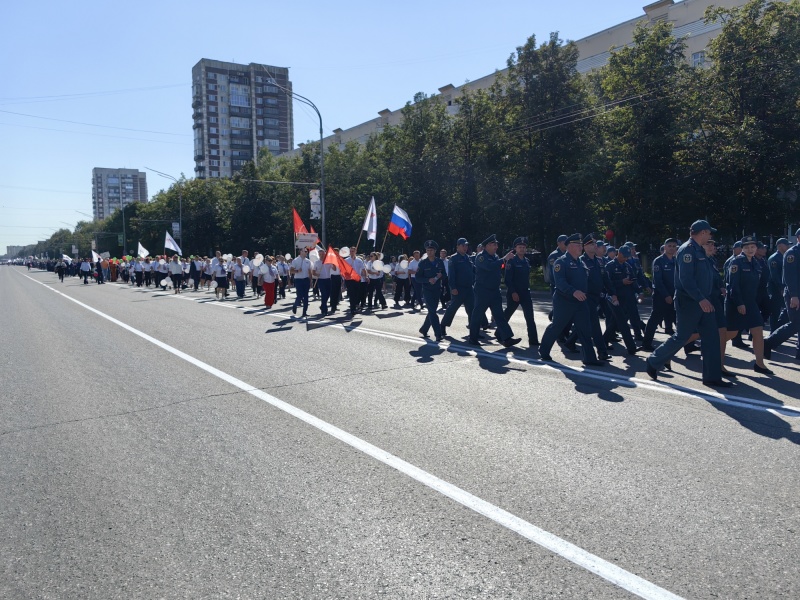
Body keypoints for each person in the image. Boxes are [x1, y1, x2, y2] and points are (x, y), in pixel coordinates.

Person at [645, 220, 731, 388]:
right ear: (703, 232)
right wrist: (701, 299)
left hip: (704, 302)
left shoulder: (700, 250)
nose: (711, 236)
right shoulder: (687, 250)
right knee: (682, 337)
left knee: (712, 338)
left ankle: (712, 377)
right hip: (690, 302)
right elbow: (686, 280)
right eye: (709, 232)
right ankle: (653, 361)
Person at [538, 233, 604, 366]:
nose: (581, 247)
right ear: (569, 247)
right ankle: (543, 350)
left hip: (580, 302)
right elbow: (560, 282)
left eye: (581, 245)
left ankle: (590, 358)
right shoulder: (561, 262)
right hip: (564, 302)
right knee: (557, 327)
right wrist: (573, 292)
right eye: (577, 245)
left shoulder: (581, 262)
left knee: (585, 329)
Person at [723, 236, 772, 374]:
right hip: (736, 303)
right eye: (747, 247)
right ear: (742, 249)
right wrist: (739, 303)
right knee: (730, 334)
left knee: (758, 331)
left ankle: (759, 364)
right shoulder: (736, 262)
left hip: (751, 303)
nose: (750, 250)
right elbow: (732, 286)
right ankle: (712, 351)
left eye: (753, 247)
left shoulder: (756, 263)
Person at [469, 234, 520, 347]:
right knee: (478, 315)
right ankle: (473, 338)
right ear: (486, 246)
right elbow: (489, 267)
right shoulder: (481, 257)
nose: (496, 246)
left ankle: (506, 338)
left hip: (494, 291)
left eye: (496, 244)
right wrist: (504, 259)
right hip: (483, 291)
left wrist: (504, 261)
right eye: (493, 244)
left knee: (499, 315)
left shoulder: (495, 256)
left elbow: (498, 267)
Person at [764, 228, 800, 361]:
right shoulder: (793, 253)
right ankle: (768, 342)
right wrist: (794, 296)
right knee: (796, 323)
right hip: (794, 295)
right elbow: (790, 277)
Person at [502, 237, 540, 347]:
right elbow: (508, 279)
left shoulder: (526, 261)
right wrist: (513, 292)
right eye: (520, 247)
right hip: (514, 293)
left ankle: (533, 340)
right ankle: (500, 332)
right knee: (508, 314)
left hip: (525, 293)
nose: (522, 249)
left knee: (530, 317)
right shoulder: (511, 261)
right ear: (515, 248)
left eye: (524, 247)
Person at [642, 238, 678, 351]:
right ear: (665, 247)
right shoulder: (659, 261)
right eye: (669, 246)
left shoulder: (676, 261)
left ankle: (689, 345)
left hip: (674, 296)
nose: (672, 248)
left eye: (674, 246)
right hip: (661, 296)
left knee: (679, 320)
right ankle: (646, 344)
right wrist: (666, 295)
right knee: (655, 319)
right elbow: (658, 281)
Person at [440, 238, 475, 337]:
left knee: (472, 309)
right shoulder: (454, 258)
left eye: (466, 245)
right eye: (463, 245)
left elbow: (472, 270)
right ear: (458, 246)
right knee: (453, 308)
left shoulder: (468, 258)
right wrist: (453, 287)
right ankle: (442, 325)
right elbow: (451, 275)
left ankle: (473, 331)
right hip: (458, 288)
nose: (465, 247)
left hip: (469, 288)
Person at [416, 240, 447, 341]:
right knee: (433, 312)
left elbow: (445, 275)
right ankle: (438, 334)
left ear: (435, 251)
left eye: (431, 250)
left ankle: (424, 329)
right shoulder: (423, 263)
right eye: (428, 250)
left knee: (432, 311)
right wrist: (428, 280)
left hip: (437, 289)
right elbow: (417, 278)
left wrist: (441, 276)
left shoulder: (439, 262)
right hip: (427, 290)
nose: (429, 252)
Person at [767, 238, 790, 331]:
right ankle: (773, 331)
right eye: (786, 245)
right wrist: (781, 288)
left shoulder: (784, 256)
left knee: (785, 311)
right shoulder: (774, 258)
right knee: (775, 311)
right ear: (780, 246)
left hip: (783, 288)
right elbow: (775, 276)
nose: (788, 246)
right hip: (775, 289)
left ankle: (778, 329)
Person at [290, 248, 312, 317]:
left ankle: (304, 312)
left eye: (307, 251)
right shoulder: (296, 260)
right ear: (301, 252)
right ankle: (295, 305)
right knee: (300, 295)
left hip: (306, 279)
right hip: (298, 280)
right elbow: (291, 270)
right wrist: (297, 271)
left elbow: (309, 272)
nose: (306, 252)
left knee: (306, 296)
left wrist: (311, 281)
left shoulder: (308, 261)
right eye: (305, 251)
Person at [344, 247, 365, 314]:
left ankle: (355, 305)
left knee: (356, 294)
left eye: (353, 251)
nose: (352, 252)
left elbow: (363, 269)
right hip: (349, 279)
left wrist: (366, 277)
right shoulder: (346, 260)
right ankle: (352, 309)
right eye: (351, 251)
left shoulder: (359, 260)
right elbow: (344, 270)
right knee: (351, 294)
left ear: (355, 251)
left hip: (357, 279)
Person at [313, 250, 333, 316]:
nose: (321, 256)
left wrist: (332, 263)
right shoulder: (316, 262)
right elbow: (313, 272)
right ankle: (324, 310)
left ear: (325, 254)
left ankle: (322, 305)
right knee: (324, 294)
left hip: (328, 280)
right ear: (318, 255)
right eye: (320, 254)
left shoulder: (328, 262)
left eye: (323, 254)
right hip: (321, 280)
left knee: (327, 294)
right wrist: (316, 274)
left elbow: (335, 269)